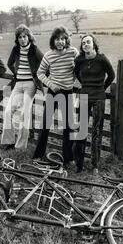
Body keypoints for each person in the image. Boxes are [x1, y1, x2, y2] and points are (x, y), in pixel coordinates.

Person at [32, 26, 79, 166]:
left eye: (63, 39)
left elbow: (80, 66)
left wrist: (74, 79)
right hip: (53, 92)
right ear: (53, 40)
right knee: (45, 124)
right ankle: (38, 155)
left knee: (68, 126)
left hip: (67, 92)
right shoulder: (48, 55)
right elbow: (40, 73)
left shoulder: (73, 52)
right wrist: (50, 85)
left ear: (67, 40)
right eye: (57, 39)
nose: (60, 42)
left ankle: (68, 158)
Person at [73, 33, 115, 175]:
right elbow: (76, 73)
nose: (86, 44)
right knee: (82, 129)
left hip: (99, 97)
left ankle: (95, 164)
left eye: (88, 42)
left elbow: (112, 75)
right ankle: (79, 163)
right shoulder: (79, 60)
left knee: (97, 131)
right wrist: (85, 84)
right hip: (84, 95)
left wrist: (102, 87)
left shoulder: (102, 59)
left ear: (94, 44)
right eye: (83, 43)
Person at [1, 24, 44, 150]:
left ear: (29, 37)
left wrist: (38, 76)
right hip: (18, 83)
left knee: (25, 114)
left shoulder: (34, 49)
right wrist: (16, 72)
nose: (22, 39)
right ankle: (9, 141)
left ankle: (20, 146)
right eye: (20, 37)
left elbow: (44, 64)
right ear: (17, 39)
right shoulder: (16, 49)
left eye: (25, 36)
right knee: (8, 111)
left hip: (30, 84)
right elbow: (9, 63)